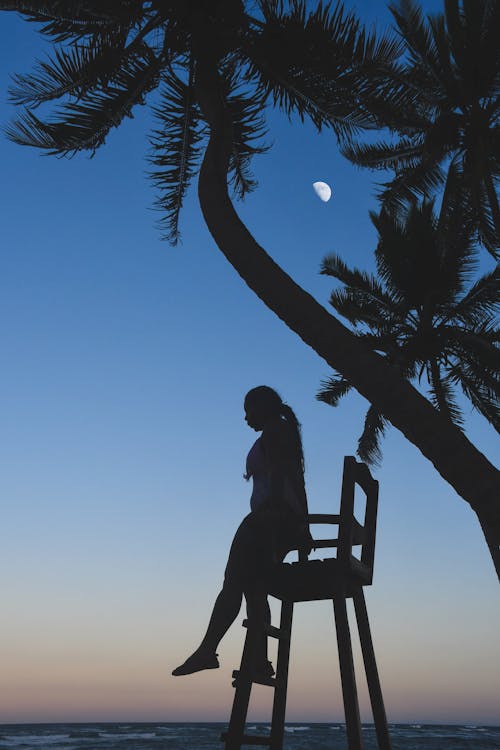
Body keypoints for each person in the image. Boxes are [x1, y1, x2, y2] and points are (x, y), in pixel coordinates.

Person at [172, 385, 311, 678]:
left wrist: (276, 515)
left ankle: (207, 651)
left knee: (233, 582)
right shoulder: (280, 431)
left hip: (268, 520)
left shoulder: (275, 431)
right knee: (254, 587)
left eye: (248, 410)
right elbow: (296, 480)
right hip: (280, 520)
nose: (246, 418)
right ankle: (258, 661)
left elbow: (282, 477)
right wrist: (302, 523)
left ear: (262, 406)